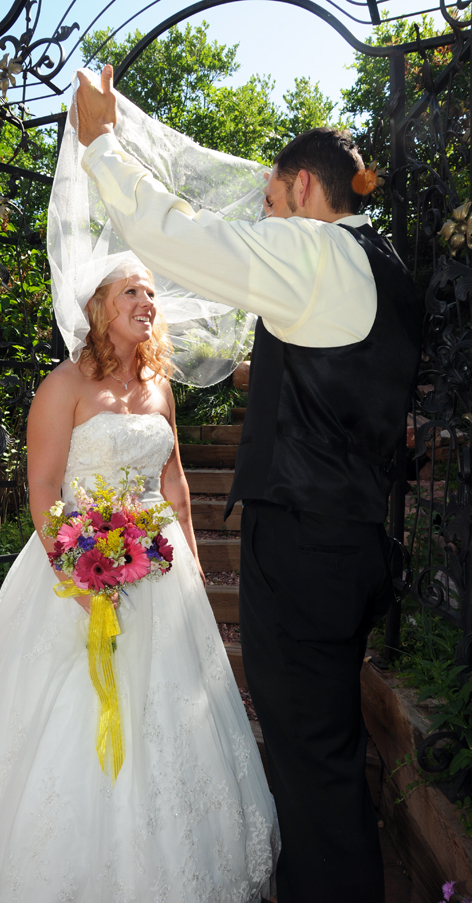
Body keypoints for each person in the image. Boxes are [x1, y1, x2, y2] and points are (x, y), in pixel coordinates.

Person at [75, 65, 423, 903]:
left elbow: (182, 237)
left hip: (304, 548)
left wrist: (101, 144)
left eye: (270, 201)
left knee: (311, 762)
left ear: (303, 188)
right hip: (350, 542)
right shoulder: (390, 273)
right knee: (324, 755)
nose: (265, 219)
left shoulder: (315, 252)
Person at [0, 258, 279, 903]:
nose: (147, 300)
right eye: (132, 291)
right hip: (74, 566)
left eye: (150, 291)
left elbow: (172, 484)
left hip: (157, 569)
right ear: (99, 308)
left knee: (167, 713)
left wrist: (195, 559)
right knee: (68, 710)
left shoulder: (160, 386)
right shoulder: (62, 386)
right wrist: (79, 573)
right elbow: (42, 491)